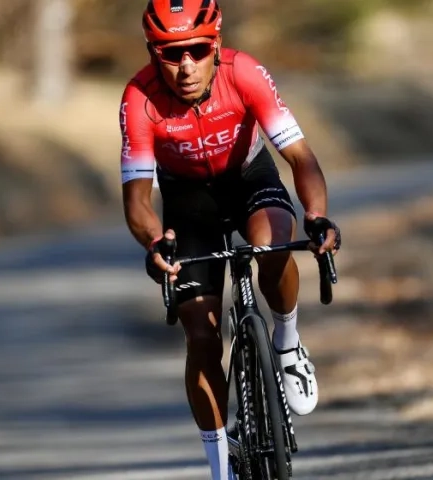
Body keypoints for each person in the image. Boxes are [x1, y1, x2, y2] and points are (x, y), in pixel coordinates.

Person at [118, 0, 341, 478]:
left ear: (215, 45)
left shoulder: (244, 73)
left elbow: (300, 157)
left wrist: (317, 215)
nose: (185, 66)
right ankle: (221, 469)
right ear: (153, 53)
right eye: (170, 53)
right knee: (200, 336)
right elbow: (137, 199)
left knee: (273, 244)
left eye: (197, 51)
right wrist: (155, 242)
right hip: (188, 201)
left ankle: (287, 342)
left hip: (247, 178)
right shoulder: (139, 97)